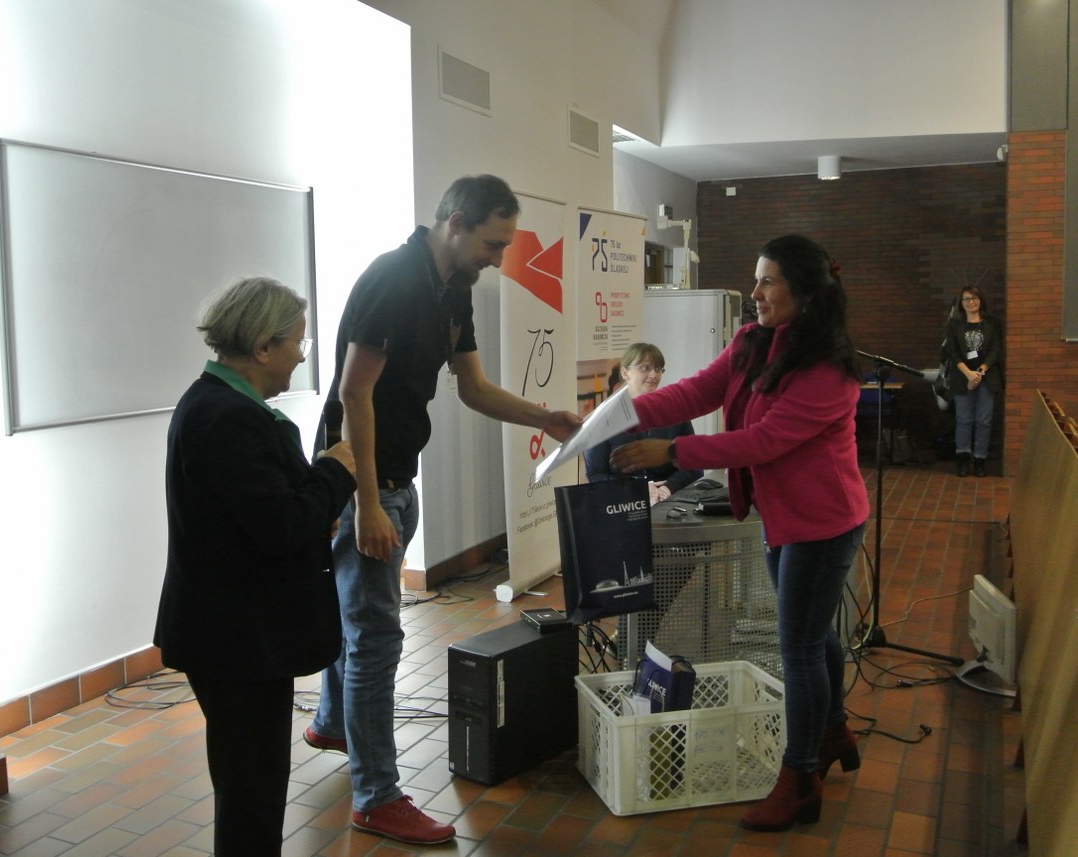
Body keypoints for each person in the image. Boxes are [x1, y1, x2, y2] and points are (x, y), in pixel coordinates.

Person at [304, 174, 581, 846]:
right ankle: (376, 796)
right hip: (364, 479)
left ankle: (335, 722)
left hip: (397, 475)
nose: (499, 258)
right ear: (455, 222)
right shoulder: (393, 279)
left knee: (356, 616)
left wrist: (545, 417)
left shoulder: (454, 287)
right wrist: (368, 502)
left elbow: (474, 388)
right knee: (376, 637)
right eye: (493, 243)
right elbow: (354, 393)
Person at [608, 235, 869, 832]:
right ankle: (833, 731)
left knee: (798, 647)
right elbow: (695, 391)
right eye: (756, 278)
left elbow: (763, 441)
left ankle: (800, 778)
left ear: (805, 292)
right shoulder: (752, 343)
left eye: (768, 281)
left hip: (824, 523)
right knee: (812, 634)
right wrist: (617, 413)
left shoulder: (827, 370)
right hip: (782, 516)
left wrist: (674, 450)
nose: (754, 292)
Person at [153, 277, 357, 857]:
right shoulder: (229, 418)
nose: (301, 355)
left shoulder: (219, 405)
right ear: (263, 347)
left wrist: (310, 510)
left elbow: (259, 516)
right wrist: (336, 471)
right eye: (297, 342)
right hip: (236, 640)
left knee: (253, 785)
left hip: (236, 634)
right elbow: (283, 526)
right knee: (252, 793)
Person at [584, 341, 702, 501]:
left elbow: (692, 464)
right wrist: (637, 489)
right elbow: (595, 474)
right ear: (625, 373)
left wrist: (668, 487)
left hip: (668, 499)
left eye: (658, 369)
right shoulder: (604, 417)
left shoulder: (675, 411)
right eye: (645, 368)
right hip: (622, 501)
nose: (653, 375)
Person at [942, 285, 1003, 477]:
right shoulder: (954, 325)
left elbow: (995, 350)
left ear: (980, 300)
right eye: (966, 299)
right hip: (963, 378)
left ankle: (979, 460)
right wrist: (969, 374)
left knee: (984, 421)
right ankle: (963, 459)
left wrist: (980, 372)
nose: (971, 302)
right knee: (964, 420)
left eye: (974, 298)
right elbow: (952, 352)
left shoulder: (992, 323)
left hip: (986, 377)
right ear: (961, 303)